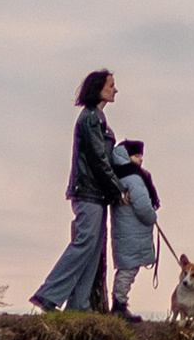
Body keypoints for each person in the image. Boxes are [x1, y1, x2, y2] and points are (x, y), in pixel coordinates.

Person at [32, 68, 129, 311]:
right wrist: (118, 190)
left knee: (93, 250)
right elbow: (98, 159)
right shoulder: (90, 119)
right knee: (85, 243)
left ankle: (79, 306)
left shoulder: (97, 119)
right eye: (111, 85)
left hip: (95, 194)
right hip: (87, 192)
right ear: (99, 89)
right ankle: (48, 294)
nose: (115, 89)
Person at [109, 136, 161, 320]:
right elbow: (143, 206)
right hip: (133, 231)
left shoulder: (118, 175)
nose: (140, 159)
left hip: (126, 230)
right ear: (127, 156)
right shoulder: (134, 177)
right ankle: (119, 305)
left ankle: (119, 303)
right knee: (128, 269)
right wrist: (152, 216)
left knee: (126, 268)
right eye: (137, 155)